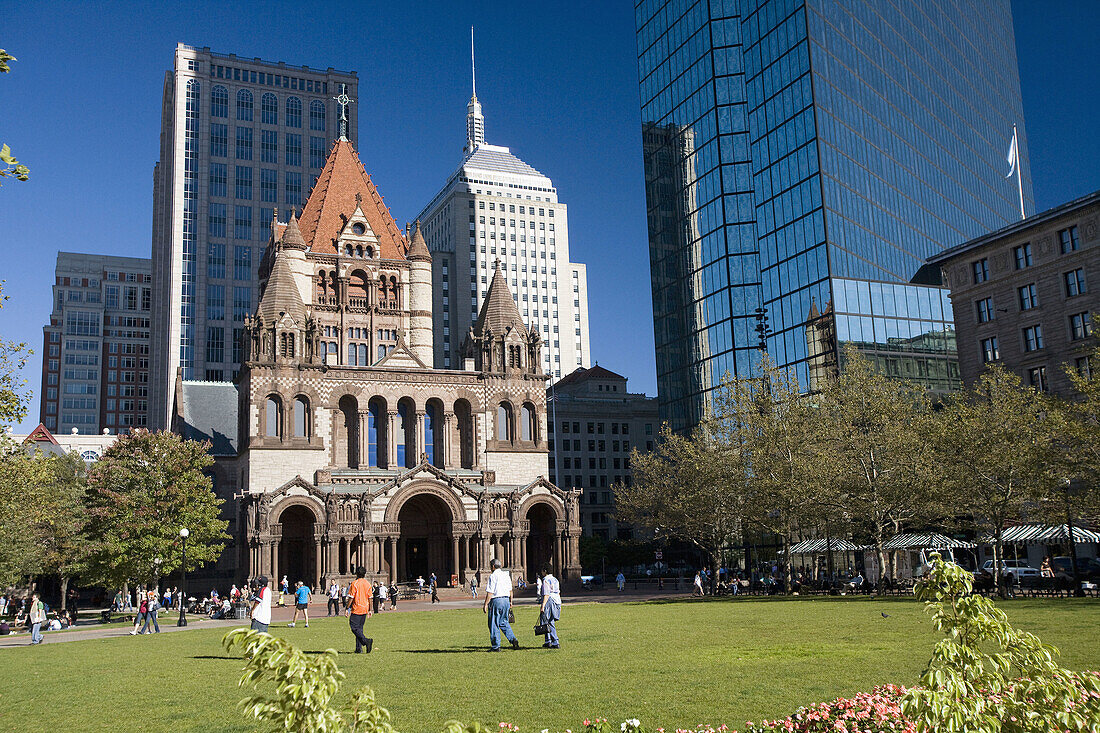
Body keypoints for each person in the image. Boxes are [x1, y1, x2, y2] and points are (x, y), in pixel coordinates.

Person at [482, 558, 519, 652]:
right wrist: (511, 601)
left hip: (496, 600)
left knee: (494, 623)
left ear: (493, 566)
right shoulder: (506, 575)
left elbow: (490, 592)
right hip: (506, 600)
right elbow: (510, 590)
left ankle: (496, 646)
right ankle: (513, 639)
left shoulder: (493, 576)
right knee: (504, 622)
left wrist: (485, 604)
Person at [346, 566, 374, 653]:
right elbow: (370, 598)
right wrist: (370, 609)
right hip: (365, 608)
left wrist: (347, 608)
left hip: (357, 608)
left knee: (354, 627)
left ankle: (366, 641)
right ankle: (359, 649)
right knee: (359, 629)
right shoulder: (367, 584)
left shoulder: (354, 584)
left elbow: (351, 597)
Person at [539, 564, 562, 649]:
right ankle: (548, 641)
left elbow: (546, 594)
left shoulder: (545, 580)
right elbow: (558, 592)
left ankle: (554, 641)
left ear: (545, 571)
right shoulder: (555, 579)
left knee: (547, 621)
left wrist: (543, 606)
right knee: (549, 621)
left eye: (542, 571)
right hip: (556, 600)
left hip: (549, 600)